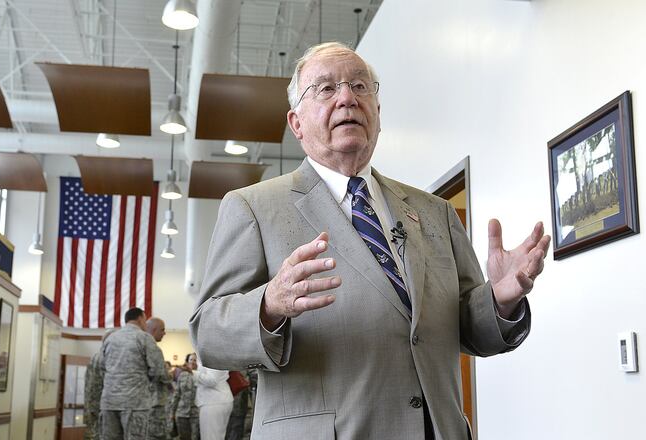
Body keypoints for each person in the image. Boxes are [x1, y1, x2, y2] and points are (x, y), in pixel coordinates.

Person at [189, 42, 550, 440]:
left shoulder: (435, 212)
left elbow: (467, 329)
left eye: (361, 86)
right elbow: (208, 332)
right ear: (296, 123)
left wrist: (500, 300)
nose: (347, 98)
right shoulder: (252, 206)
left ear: (378, 113)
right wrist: (269, 305)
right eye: (326, 89)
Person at [101, 308, 167, 440]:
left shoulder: (110, 338)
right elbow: (159, 371)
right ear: (140, 319)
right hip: (134, 403)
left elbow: (102, 367)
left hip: (109, 402)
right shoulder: (144, 338)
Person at [84, 329, 116, 440]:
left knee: (93, 433)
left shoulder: (95, 356)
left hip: (92, 402)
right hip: (102, 404)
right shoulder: (106, 357)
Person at [145, 317, 172, 440]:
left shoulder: (139, 344)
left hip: (144, 401)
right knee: (157, 435)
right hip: (156, 401)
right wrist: (172, 374)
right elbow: (162, 375)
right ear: (154, 329)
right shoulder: (153, 348)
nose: (164, 333)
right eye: (162, 330)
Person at [192, 361, 233, 440]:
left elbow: (212, 380)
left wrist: (193, 372)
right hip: (212, 400)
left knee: (211, 437)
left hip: (214, 401)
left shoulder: (213, 355)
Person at [171, 353, 201, 440]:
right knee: (183, 437)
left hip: (196, 413)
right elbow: (177, 394)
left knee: (194, 437)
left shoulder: (201, 376)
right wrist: (172, 412)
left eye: (195, 360)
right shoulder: (182, 375)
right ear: (187, 362)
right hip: (181, 412)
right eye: (191, 360)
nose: (192, 362)